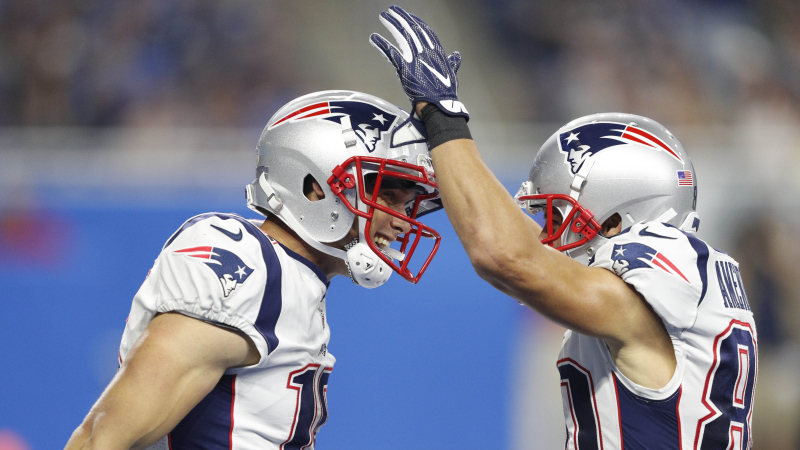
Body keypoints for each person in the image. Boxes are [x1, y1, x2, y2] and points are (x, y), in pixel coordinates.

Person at [371, 6, 757, 449]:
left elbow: (507, 255)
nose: (549, 235)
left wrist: (444, 118)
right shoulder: (691, 279)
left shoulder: (654, 280)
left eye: (559, 216)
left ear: (616, 216)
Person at [64, 90, 443, 450]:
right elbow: (102, 437)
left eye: (407, 204)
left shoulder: (297, 280)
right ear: (315, 187)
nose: (404, 222)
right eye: (388, 197)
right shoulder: (249, 260)